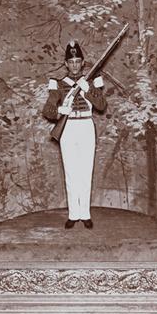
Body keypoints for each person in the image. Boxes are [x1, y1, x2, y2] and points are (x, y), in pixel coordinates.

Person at [42, 40, 107, 229]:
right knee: (71, 172)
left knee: (86, 171)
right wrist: (59, 110)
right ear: (66, 64)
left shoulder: (91, 82)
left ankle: (85, 214)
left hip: (86, 126)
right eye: (71, 62)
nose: (75, 65)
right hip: (68, 128)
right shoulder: (59, 84)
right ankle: (73, 214)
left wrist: (88, 90)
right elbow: (47, 110)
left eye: (78, 61)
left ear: (83, 62)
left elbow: (102, 105)